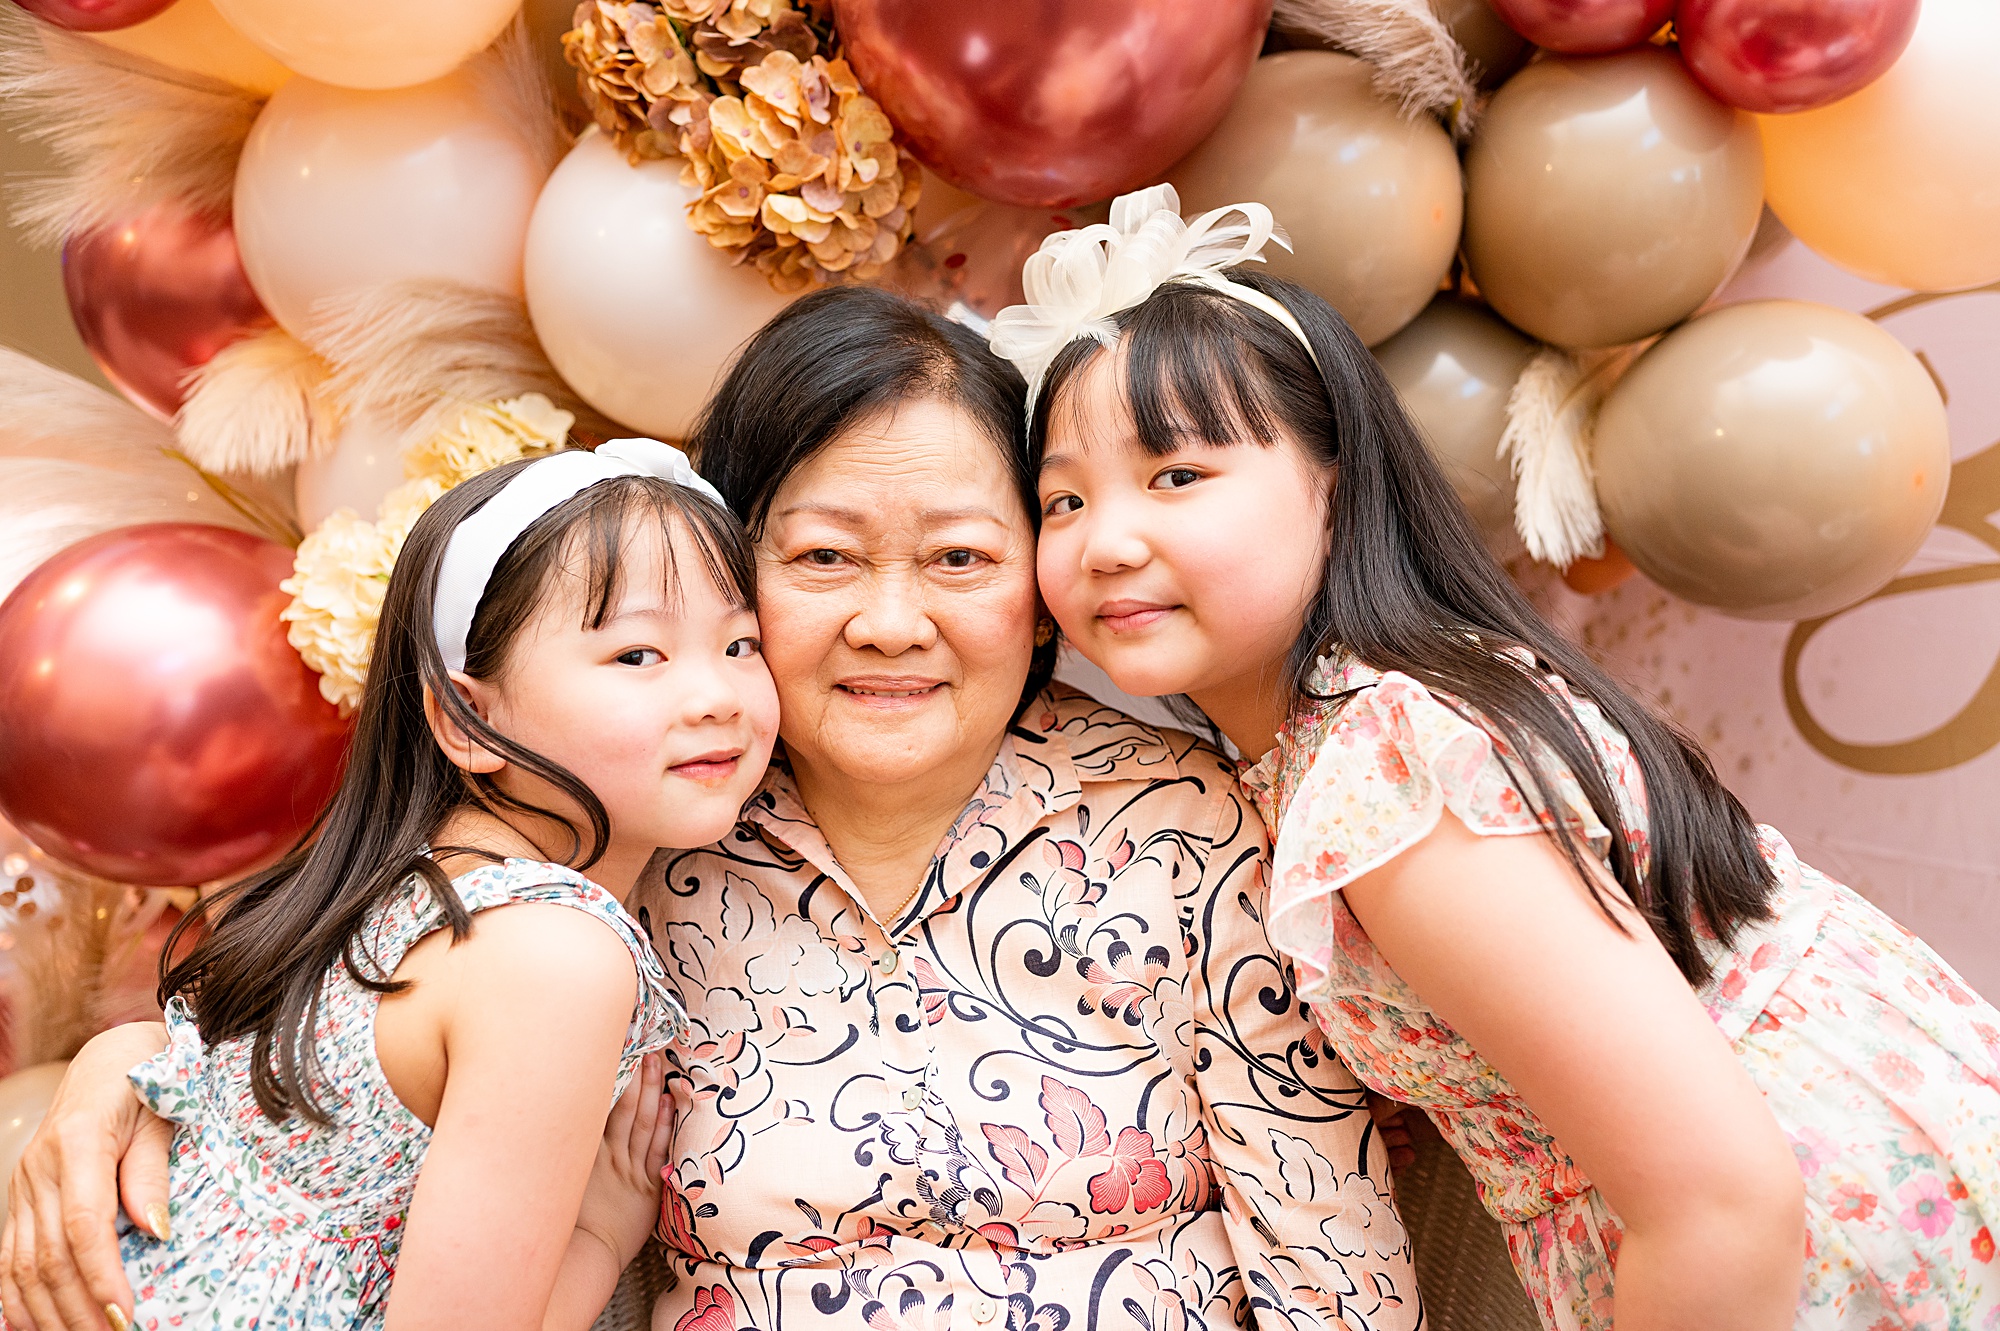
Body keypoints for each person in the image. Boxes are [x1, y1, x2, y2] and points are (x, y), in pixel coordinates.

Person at [3, 288, 1423, 1331]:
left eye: (959, 556)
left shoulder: (1190, 825)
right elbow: (362, 1017)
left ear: (1040, 577)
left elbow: (1332, 1273)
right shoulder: (644, 853)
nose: (890, 621)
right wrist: (122, 1070)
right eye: (819, 556)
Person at [1008, 186, 2000, 1331]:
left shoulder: (1385, 770)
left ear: (1333, 488)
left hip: (1797, 1256)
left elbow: (1721, 1206)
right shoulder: (1352, 721)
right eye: (1062, 498)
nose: (1104, 539)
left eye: (1175, 475)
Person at [3, 444, 780, 1331]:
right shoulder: (554, 955)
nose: (717, 693)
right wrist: (602, 1232)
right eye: (638, 653)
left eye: (739, 642)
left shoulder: (389, 889)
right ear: (467, 718)